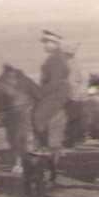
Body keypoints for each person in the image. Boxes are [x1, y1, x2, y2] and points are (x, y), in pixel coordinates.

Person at [32, 30, 71, 158]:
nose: (45, 45)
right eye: (44, 42)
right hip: (55, 90)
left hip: (57, 92)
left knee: (39, 115)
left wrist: (40, 92)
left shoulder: (56, 59)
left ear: (55, 43)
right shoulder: (55, 57)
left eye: (47, 42)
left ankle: (46, 146)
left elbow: (54, 82)